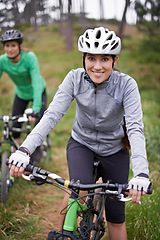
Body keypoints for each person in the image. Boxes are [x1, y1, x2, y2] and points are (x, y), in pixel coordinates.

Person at [8, 27, 151, 240]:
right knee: (76, 192)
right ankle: (65, 235)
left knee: (115, 219)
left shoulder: (127, 85)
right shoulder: (74, 78)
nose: (97, 66)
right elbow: (52, 115)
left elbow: (135, 128)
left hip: (114, 150)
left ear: (115, 60)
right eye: (91, 58)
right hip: (81, 144)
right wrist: (24, 149)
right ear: (83, 58)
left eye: (104, 59)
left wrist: (141, 173)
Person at [0, 29, 47, 163]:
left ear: (20, 46)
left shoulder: (29, 57)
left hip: (38, 92)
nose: (10, 49)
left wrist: (36, 109)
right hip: (21, 94)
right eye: (7, 46)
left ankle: (35, 158)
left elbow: (37, 83)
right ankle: (17, 155)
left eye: (13, 45)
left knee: (38, 126)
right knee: (15, 125)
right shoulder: (2, 61)